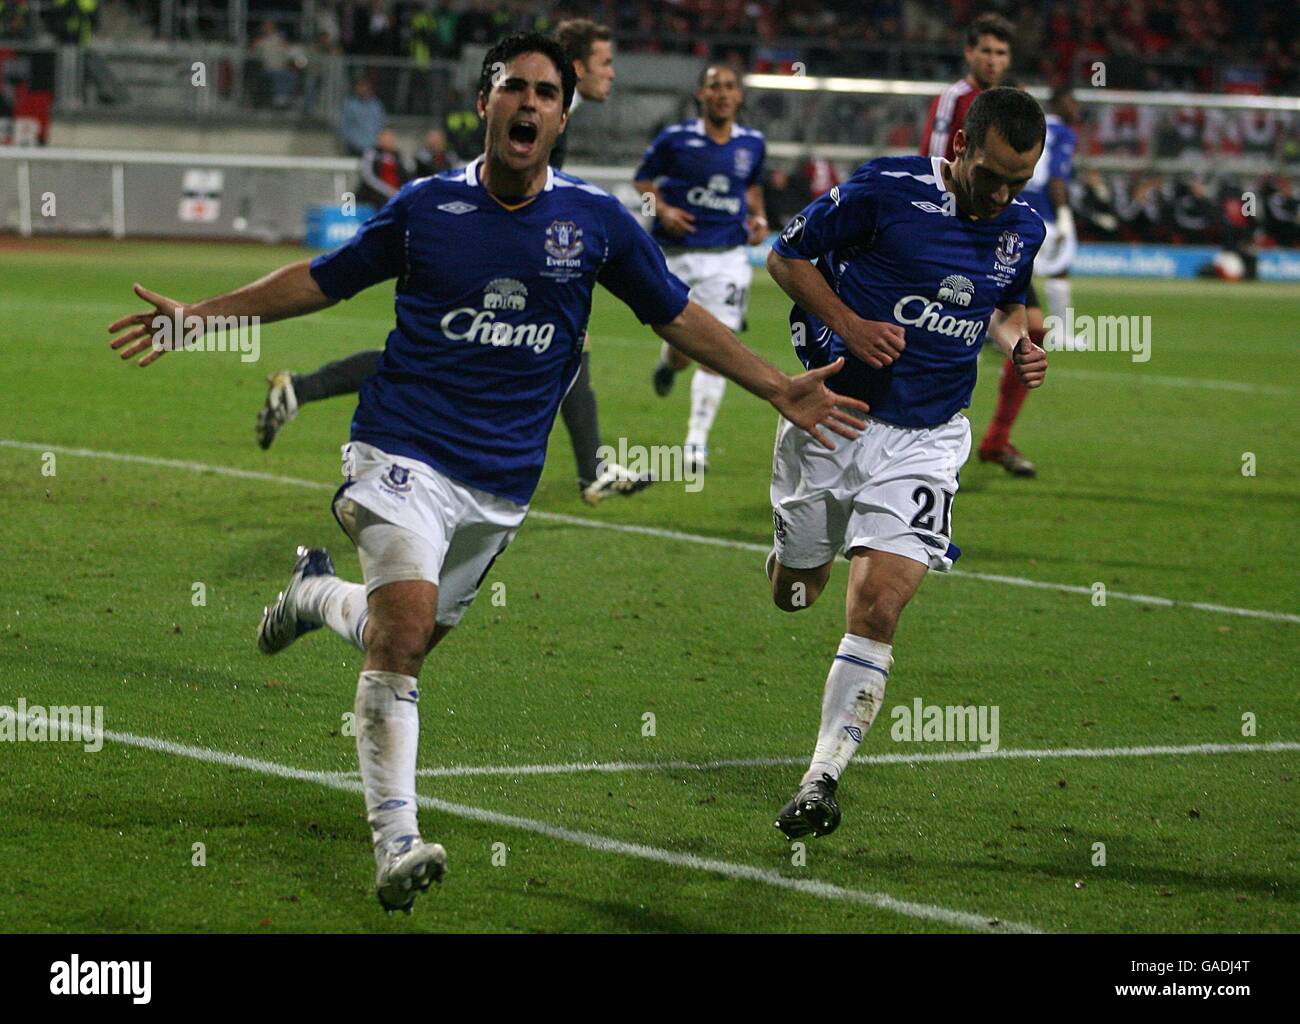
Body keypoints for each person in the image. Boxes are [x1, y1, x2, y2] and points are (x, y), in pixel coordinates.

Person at [106, 32, 867, 913]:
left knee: (406, 635)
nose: (530, 104)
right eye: (515, 88)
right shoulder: (426, 207)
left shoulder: (596, 222)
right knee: (403, 634)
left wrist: (777, 386)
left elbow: (676, 316)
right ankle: (396, 838)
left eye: (548, 93)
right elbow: (322, 280)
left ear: (564, 115)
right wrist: (202, 316)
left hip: (499, 486)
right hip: (399, 451)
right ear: (485, 103)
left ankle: (314, 595)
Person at [765, 87, 1048, 839]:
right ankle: (795, 549)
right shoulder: (887, 189)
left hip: (925, 437)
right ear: (961, 145)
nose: (999, 195)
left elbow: (1005, 303)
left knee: (879, 605)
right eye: (989, 175)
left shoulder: (1024, 227)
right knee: (795, 591)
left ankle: (821, 779)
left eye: (1017, 182)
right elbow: (787, 257)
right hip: (833, 419)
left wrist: (1017, 342)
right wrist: (850, 325)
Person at [259, 19, 646, 508]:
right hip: (470, 230)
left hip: (490, 234)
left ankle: (593, 466)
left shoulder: (548, 105)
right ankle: (591, 468)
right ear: (577, 65)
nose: (612, 73)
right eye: (605, 62)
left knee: (475, 350)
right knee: (446, 351)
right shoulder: (545, 106)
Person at [920, 12, 1041, 477]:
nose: (994, 60)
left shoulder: (1013, 103)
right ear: (970, 52)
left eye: (1002, 52)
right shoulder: (956, 98)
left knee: (1032, 330)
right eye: (986, 50)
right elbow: (936, 160)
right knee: (945, 325)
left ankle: (996, 439)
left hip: (997, 227)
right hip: (954, 225)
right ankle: (924, 437)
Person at [636, 64, 768, 475]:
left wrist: (759, 217)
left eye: (730, 87)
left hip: (728, 256)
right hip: (676, 254)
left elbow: (751, 186)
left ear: (739, 97)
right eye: (715, 87)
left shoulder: (753, 143)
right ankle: (669, 361)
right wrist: (662, 209)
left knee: (716, 346)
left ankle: (695, 443)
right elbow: (642, 185)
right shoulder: (675, 139)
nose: (723, 94)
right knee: (684, 352)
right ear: (701, 95)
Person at [1022, 86, 1083, 351]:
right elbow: (1057, 176)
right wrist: (1063, 213)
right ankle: (1062, 331)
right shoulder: (1064, 133)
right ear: (1058, 104)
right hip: (1043, 210)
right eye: (1071, 102)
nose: (1076, 108)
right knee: (1059, 267)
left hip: (1017, 202)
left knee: (1010, 272)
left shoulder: (1034, 127)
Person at [356, 128, 413, 210]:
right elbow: (368, 177)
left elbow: (408, 173)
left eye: (391, 139)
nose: (389, 141)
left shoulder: (399, 156)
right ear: (379, 140)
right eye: (386, 139)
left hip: (396, 191)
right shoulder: (371, 154)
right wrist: (389, 191)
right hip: (376, 192)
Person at [339, 77, 385, 157]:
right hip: (355, 147)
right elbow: (344, 125)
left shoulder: (376, 105)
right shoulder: (350, 105)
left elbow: (380, 124)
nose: (363, 90)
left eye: (365, 87)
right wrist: (351, 142)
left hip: (373, 146)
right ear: (356, 89)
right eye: (360, 87)